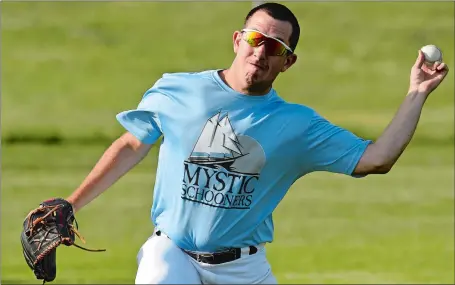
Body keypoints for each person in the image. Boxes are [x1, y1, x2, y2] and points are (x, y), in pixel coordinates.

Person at [65, 2, 449, 284]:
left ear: (289, 62)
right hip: (172, 251)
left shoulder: (297, 125)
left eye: (276, 47)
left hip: (242, 269)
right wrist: (70, 204)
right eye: (255, 38)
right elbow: (133, 144)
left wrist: (417, 93)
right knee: (160, 264)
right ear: (237, 40)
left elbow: (376, 159)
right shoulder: (179, 89)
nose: (261, 51)